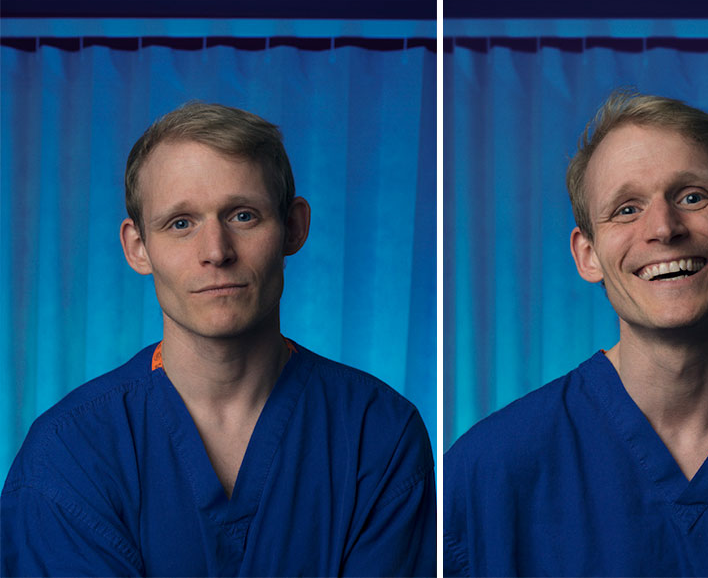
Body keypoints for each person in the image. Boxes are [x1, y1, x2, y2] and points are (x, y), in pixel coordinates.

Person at [443, 90, 708, 577]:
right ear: (587, 255)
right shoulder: (490, 473)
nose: (664, 229)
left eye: (692, 197)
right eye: (627, 209)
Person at [1, 102, 435, 576]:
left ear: (293, 227)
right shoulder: (69, 454)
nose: (216, 252)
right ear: (138, 247)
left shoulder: (378, 434)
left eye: (243, 215)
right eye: (181, 223)